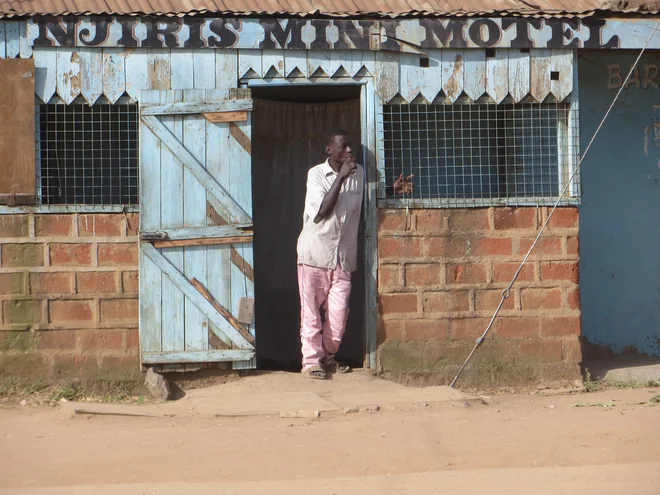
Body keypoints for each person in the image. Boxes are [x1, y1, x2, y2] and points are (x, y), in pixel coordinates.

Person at [296, 128, 413, 379]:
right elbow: (321, 212)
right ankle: (312, 362)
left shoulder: (359, 172)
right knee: (311, 313)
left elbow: (366, 200)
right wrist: (340, 177)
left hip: (343, 257)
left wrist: (392, 190)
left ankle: (327, 357)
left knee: (338, 317)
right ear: (330, 150)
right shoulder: (316, 174)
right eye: (343, 147)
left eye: (351, 146)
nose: (349, 151)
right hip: (314, 254)